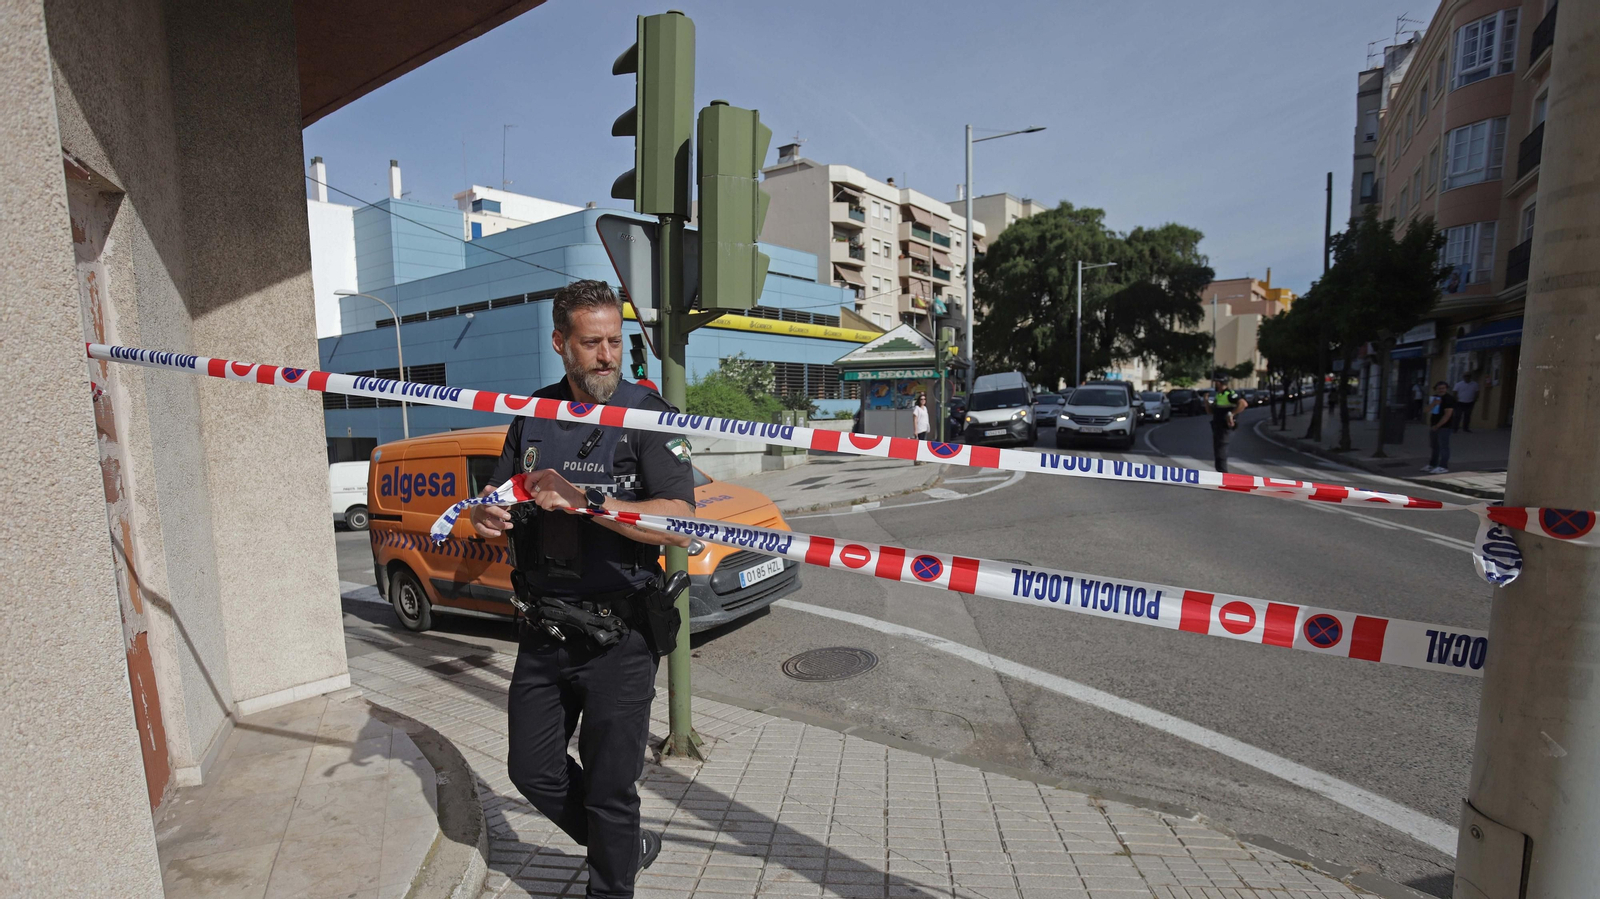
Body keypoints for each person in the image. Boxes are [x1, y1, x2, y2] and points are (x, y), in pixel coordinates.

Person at [469, 280, 695, 898]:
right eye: (591, 343)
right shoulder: (534, 413)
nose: (606, 356)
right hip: (544, 629)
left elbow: (679, 516)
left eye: (614, 342)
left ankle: (611, 880)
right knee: (532, 769)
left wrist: (589, 501)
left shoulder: (647, 413)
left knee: (609, 787)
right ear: (560, 344)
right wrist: (487, 516)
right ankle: (623, 846)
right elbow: (500, 498)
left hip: (621, 637)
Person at [1209, 372, 1247, 473]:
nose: (1215, 384)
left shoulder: (1229, 394)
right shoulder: (1219, 395)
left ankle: (1223, 476)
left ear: (1220, 383)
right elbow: (1211, 411)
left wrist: (1231, 414)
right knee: (1218, 452)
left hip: (1225, 427)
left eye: (1216, 382)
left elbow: (1243, 403)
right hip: (1217, 426)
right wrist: (1205, 401)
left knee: (1221, 452)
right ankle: (1220, 474)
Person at [1425, 380, 1456, 474]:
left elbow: (1447, 415)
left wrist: (1438, 426)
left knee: (1443, 446)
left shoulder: (1449, 399)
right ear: (1436, 389)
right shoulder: (1434, 398)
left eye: (1443, 388)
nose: (1441, 390)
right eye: (1439, 388)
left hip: (1445, 426)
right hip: (1434, 425)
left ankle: (1443, 466)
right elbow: (1426, 410)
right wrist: (1434, 403)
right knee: (1434, 446)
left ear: (1446, 389)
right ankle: (1432, 464)